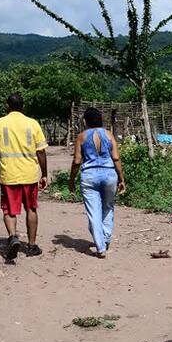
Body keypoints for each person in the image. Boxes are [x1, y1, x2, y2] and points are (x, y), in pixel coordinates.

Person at [0, 93, 49, 264]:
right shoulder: (32, 123)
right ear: (23, 106)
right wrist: (44, 174)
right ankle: (31, 245)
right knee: (31, 209)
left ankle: (13, 237)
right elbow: (41, 152)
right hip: (29, 175)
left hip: (9, 176)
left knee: (9, 210)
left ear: (7, 105)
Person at [68, 108, 125, 258]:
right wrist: (121, 178)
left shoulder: (81, 137)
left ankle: (100, 247)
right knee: (108, 207)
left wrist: (71, 179)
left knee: (93, 212)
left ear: (86, 121)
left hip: (89, 176)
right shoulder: (108, 134)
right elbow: (116, 159)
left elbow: (77, 161)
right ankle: (105, 239)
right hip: (109, 174)